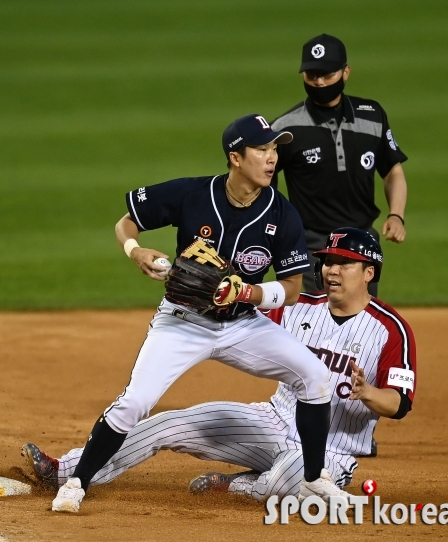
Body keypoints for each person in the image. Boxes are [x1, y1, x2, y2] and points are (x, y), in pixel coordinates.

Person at [46, 113, 351, 513]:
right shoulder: (192, 194)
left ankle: (313, 479)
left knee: (314, 376)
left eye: (275, 148)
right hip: (182, 323)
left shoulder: (282, 213)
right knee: (134, 402)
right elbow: (126, 223)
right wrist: (135, 250)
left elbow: (292, 289)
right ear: (235, 158)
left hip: (243, 325)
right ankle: (76, 482)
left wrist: (249, 291)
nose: (272, 157)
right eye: (262, 149)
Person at [23, 228, 416, 502]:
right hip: (272, 422)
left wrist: (368, 393)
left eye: (344, 263)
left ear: (369, 272)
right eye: (329, 261)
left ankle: (240, 487)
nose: (331, 270)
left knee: (296, 477)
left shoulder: (390, 329)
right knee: (167, 423)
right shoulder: (297, 308)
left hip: (334, 451)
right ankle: (65, 470)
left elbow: (399, 404)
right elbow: (241, 330)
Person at [270, 34, 409, 296]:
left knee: (361, 319)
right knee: (316, 320)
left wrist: (396, 214)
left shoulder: (373, 116)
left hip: (362, 240)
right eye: (311, 74)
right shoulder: (285, 128)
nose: (319, 81)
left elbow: (393, 170)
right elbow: (264, 181)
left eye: (326, 73)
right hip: (312, 242)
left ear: (346, 72)